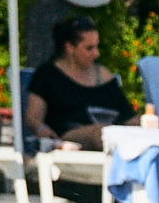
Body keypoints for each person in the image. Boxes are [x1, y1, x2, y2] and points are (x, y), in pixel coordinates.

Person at [25, 16, 134, 152]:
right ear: (70, 47)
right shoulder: (47, 75)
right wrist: (41, 129)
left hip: (109, 133)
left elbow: (126, 116)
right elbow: (33, 117)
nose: (96, 54)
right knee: (99, 133)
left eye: (96, 47)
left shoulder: (103, 75)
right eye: (89, 48)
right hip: (66, 137)